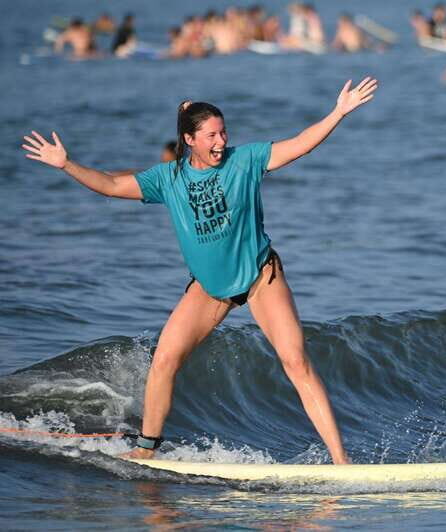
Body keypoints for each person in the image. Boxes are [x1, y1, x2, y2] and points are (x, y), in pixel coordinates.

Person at [21, 77, 379, 464]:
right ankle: (146, 450)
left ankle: (340, 461)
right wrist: (66, 164)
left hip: (260, 278)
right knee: (164, 360)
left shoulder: (245, 161)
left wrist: (338, 113)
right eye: (211, 135)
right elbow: (110, 185)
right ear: (190, 139)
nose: (221, 141)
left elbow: (300, 144)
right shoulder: (169, 178)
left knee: (295, 361)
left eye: (223, 132)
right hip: (210, 288)